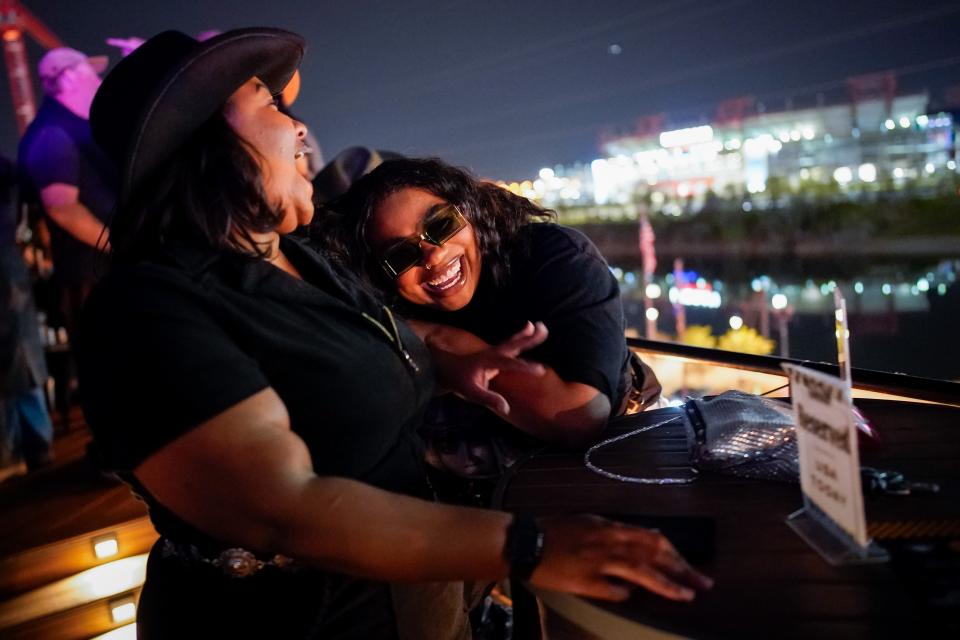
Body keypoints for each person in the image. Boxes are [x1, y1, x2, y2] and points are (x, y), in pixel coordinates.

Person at [78, 28, 711, 638]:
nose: (300, 126)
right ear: (205, 141)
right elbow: (283, 505)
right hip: (295, 619)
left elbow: (345, 365)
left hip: (415, 593)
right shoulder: (147, 307)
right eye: (270, 104)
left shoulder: (302, 261)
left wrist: (444, 363)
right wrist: (531, 544)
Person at [318, 158, 662, 475]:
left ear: (469, 211)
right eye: (401, 254)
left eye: (441, 225)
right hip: (505, 477)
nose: (433, 256)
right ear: (379, 275)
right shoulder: (383, 307)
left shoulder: (554, 256)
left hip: (626, 442)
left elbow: (581, 418)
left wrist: (444, 345)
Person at [17, 46, 117, 339]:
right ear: (69, 78)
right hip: (92, 279)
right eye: (90, 74)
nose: (99, 82)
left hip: (100, 274)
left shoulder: (70, 128)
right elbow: (62, 207)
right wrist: (122, 246)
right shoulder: (52, 134)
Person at [0, 155, 53, 478]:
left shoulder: (6, 172)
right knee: (22, 354)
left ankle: (22, 448)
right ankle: (31, 447)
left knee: (21, 354)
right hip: (11, 268)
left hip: (8, 271)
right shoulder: (9, 170)